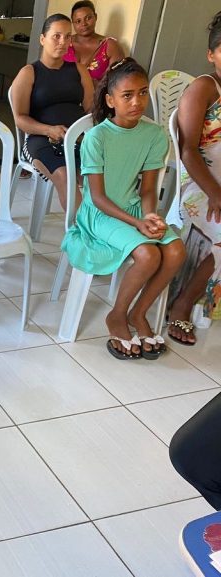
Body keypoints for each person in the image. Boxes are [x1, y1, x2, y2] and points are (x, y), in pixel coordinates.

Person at [60, 58, 186, 360]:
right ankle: (117, 314)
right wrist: (137, 223)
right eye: (127, 95)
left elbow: (147, 190)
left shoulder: (154, 135)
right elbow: (98, 197)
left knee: (175, 250)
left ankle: (138, 312)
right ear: (110, 100)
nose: (136, 102)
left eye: (142, 93)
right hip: (99, 213)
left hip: (133, 208)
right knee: (148, 254)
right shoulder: (97, 137)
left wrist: (150, 216)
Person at [166, 11, 221, 346]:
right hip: (199, 185)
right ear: (211, 54)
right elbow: (187, 151)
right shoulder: (204, 88)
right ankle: (183, 303)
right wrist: (215, 193)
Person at [11, 13, 94, 212]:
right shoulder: (29, 73)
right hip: (41, 141)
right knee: (65, 176)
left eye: (67, 36)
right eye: (56, 36)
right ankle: (80, 229)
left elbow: (90, 110)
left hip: (78, 139)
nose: (63, 42)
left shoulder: (79, 70)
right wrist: (49, 130)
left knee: (101, 175)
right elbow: (20, 118)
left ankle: (103, 225)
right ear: (42, 39)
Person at [64, 1, 125, 86]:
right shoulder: (64, 43)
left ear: (95, 17)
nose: (84, 24)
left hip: (96, 94)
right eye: (78, 21)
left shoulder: (110, 46)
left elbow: (117, 83)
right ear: (72, 23)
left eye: (88, 18)